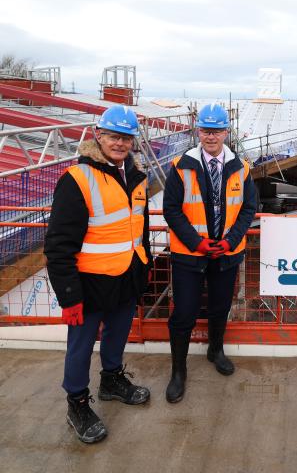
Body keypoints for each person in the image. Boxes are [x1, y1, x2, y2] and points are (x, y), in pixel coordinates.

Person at [45, 105, 152, 444]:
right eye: (113, 136)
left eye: (126, 138)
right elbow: (58, 244)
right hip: (89, 282)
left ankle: (112, 380)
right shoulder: (77, 179)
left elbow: (140, 228)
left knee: (118, 333)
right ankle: (77, 402)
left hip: (125, 275)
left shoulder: (135, 175)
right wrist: (69, 295)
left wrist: (143, 266)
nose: (120, 143)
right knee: (79, 348)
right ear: (98, 136)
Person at [163, 103, 258, 403]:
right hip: (190, 256)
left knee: (219, 308)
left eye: (216, 131)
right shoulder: (181, 165)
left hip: (226, 254)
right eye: (206, 130)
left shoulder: (241, 168)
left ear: (226, 132)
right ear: (198, 131)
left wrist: (230, 241)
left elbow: (248, 208)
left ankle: (215, 350)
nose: (211, 137)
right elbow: (172, 210)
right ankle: (178, 371)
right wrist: (197, 243)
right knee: (185, 314)